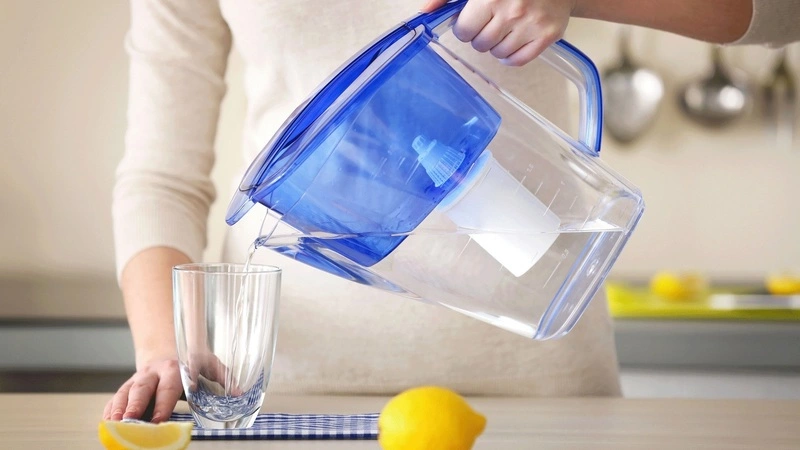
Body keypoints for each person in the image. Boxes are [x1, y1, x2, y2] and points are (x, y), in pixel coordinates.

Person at [104, 0, 800, 423]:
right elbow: (161, 177)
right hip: (291, 395)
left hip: (545, 390)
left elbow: (780, 15)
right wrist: (165, 351)